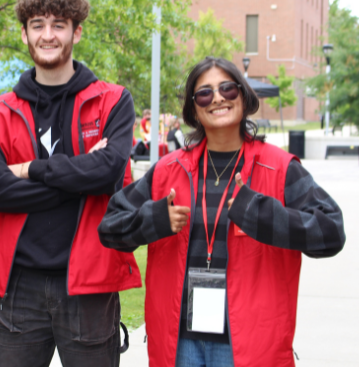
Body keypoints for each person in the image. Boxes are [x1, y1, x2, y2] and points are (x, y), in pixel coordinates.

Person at [98, 57, 345, 367]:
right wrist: (155, 220)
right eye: (204, 93)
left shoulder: (280, 167)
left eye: (227, 89)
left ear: (243, 95)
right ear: (194, 108)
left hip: (249, 341)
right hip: (180, 340)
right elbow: (110, 227)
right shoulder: (168, 169)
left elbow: (331, 232)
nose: (217, 98)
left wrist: (261, 214)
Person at [0, 0, 141, 367]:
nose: (48, 35)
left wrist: (30, 170)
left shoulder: (111, 101)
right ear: (24, 33)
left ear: (76, 31)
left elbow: (110, 171)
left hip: (88, 282)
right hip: (16, 285)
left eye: (59, 24)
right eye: (38, 24)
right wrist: (81, 180)